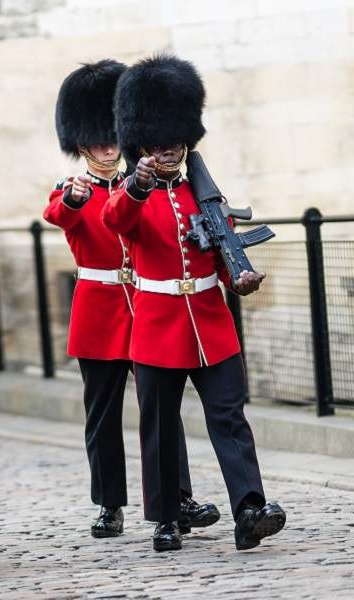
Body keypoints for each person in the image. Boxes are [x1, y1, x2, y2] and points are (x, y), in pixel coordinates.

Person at [102, 55, 286, 552]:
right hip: (159, 325)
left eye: (175, 144)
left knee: (230, 417)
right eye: (158, 145)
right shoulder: (131, 194)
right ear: (141, 145)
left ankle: (249, 508)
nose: (167, 152)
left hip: (210, 322)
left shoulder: (201, 195)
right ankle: (166, 516)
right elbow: (113, 221)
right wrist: (137, 184)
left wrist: (239, 277)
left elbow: (220, 247)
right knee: (160, 427)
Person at [45, 60, 219, 540]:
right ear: (81, 145)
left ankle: (178, 496)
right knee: (102, 415)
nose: (108, 148)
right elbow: (58, 213)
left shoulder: (139, 185)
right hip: (100, 310)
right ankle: (109, 503)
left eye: (112, 138)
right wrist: (76, 199)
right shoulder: (73, 188)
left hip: (147, 307)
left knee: (161, 410)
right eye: (97, 141)